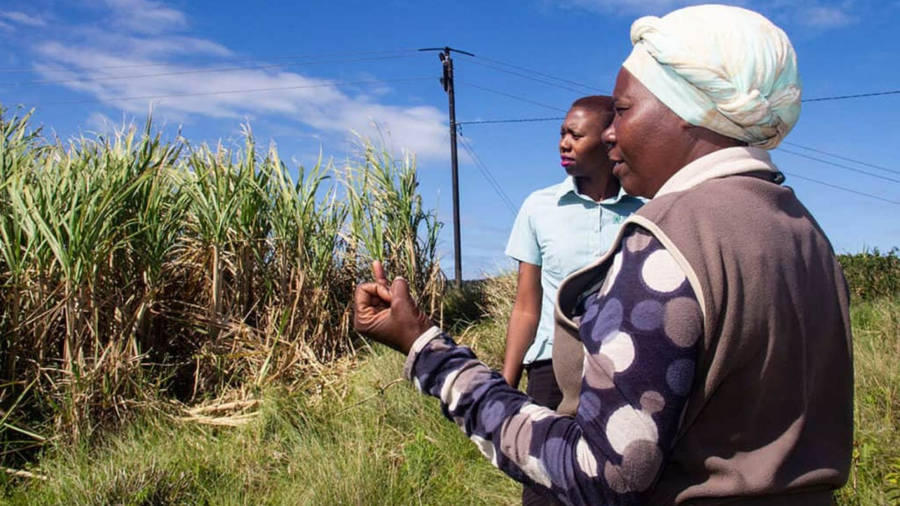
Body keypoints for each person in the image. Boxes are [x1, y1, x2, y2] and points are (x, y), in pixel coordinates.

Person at [353, 5, 853, 505]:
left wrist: (428, 350)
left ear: (688, 111)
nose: (611, 132)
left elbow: (602, 473)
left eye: (625, 109)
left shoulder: (669, 236)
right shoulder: (807, 234)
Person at [503, 95, 643, 506]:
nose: (563, 143)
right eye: (562, 133)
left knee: (621, 481)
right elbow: (526, 306)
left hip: (625, 366)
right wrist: (507, 381)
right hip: (550, 369)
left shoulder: (648, 209)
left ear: (608, 140)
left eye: (575, 135)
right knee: (545, 485)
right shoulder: (538, 207)